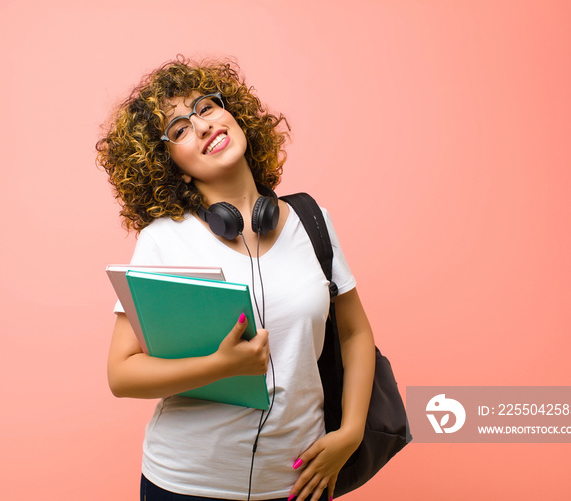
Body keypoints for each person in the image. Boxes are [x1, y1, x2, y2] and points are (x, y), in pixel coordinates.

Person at [97, 57, 376, 501]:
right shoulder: (163, 242)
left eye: (205, 108)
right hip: (185, 485)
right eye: (180, 129)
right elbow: (122, 374)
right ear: (173, 165)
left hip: (298, 483)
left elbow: (356, 332)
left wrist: (352, 432)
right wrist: (222, 367)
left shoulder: (311, 220)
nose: (202, 126)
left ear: (233, 114)